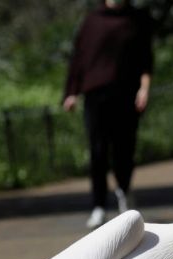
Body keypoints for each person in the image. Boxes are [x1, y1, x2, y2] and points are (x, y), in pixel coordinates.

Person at [63, 0, 153, 229]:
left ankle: (124, 191)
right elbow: (79, 59)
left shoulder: (136, 20)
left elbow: (146, 58)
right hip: (95, 96)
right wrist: (71, 93)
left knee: (124, 149)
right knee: (97, 151)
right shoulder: (91, 21)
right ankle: (98, 206)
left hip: (126, 95)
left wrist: (144, 89)